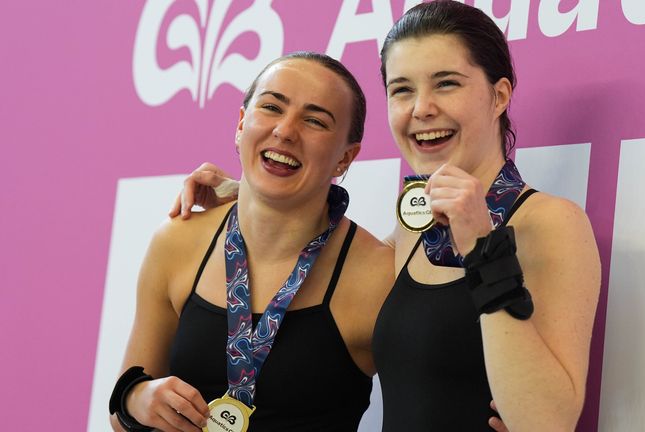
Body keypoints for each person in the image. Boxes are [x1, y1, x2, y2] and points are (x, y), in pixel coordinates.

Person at [172, 1, 600, 431]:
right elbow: (315, 253)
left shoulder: (551, 224)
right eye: (402, 90)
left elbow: (547, 423)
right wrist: (248, 193)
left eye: (446, 84)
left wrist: (482, 248)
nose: (422, 108)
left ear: (499, 95)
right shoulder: (412, 234)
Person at [110, 52, 394, 432]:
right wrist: (138, 399)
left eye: (314, 120)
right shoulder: (177, 242)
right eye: (271, 107)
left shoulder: (378, 276)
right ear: (242, 123)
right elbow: (121, 412)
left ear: (345, 158)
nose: (285, 131)